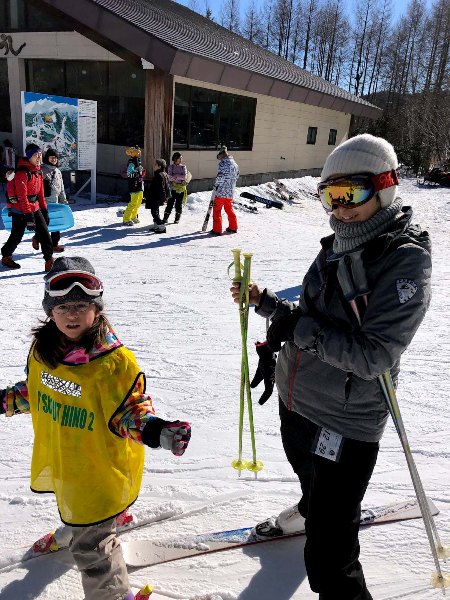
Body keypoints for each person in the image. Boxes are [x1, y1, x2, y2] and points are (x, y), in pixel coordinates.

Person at [230, 134, 432, 600]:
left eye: (352, 194)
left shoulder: (403, 261)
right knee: (306, 473)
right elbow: (314, 314)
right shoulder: (339, 243)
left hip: (346, 420)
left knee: (330, 562)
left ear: (384, 188)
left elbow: (373, 356)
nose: (340, 207)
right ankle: (310, 504)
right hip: (298, 399)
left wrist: (296, 329)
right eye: (330, 196)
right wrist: (268, 305)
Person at [0, 256, 192, 600]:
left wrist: (158, 431)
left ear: (97, 309)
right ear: (49, 311)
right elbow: (37, 389)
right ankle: (75, 528)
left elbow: (130, 409)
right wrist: (7, 401)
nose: (72, 314)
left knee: (94, 554)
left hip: (99, 470)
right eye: (63, 307)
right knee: (78, 506)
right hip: (67, 460)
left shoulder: (113, 363)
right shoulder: (45, 350)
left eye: (81, 306)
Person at [1, 143, 54, 271]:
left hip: (35, 207)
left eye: (40, 155)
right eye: (36, 155)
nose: (39, 158)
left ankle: (49, 260)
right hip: (20, 210)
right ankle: (6, 256)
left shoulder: (38, 172)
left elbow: (40, 194)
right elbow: (22, 196)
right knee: (17, 236)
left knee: (45, 234)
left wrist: (44, 209)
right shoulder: (21, 173)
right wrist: (28, 215)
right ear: (29, 156)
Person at [37, 147, 68, 253]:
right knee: (44, 224)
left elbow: (61, 188)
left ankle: (54, 244)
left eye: (55, 158)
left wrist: (64, 202)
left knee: (56, 224)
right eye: (51, 157)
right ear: (47, 158)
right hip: (43, 203)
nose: (54, 159)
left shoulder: (58, 171)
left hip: (55, 203)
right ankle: (37, 238)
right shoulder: (41, 170)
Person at [211, 146, 239, 235]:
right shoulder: (235, 164)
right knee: (229, 209)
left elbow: (220, 177)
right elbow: (237, 176)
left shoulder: (223, 164)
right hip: (230, 192)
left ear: (222, 154)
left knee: (217, 210)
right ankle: (233, 227)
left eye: (219, 157)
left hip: (221, 192)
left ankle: (217, 229)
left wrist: (215, 185)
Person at [144, 158, 170, 233]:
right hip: (157, 197)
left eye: (155, 164)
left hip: (155, 197)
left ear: (159, 166)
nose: (154, 165)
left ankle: (161, 226)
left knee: (154, 212)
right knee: (156, 211)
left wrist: (163, 198)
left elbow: (161, 188)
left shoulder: (159, 175)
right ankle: (156, 226)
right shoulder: (164, 174)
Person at [164, 152, 189, 225]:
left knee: (178, 204)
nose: (181, 159)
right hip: (172, 188)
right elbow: (169, 177)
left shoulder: (183, 167)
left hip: (181, 189)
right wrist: (178, 177)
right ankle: (165, 218)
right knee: (170, 203)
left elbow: (185, 177)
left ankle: (177, 219)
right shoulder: (170, 167)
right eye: (179, 158)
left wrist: (175, 176)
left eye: (181, 158)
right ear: (175, 159)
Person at [123, 146, 145, 226]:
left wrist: (141, 173)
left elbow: (139, 172)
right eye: (138, 152)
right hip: (133, 185)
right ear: (135, 153)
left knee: (139, 202)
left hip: (139, 184)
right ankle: (126, 218)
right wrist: (137, 171)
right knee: (133, 202)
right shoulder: (131, 162)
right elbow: (129, 174)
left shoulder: (138, 162)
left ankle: (133, 216)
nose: (140, 154)